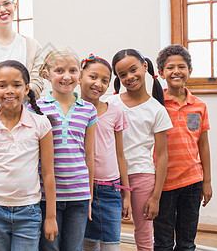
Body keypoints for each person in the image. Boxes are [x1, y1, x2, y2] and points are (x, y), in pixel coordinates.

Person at [0, 60, 57, 250]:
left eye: (16, 85)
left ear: (27, 89)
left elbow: (48, 173)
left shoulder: (41, 124)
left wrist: (50, 217)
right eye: (2, 85)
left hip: (29, 212)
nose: (9, 90)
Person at [106, 49, 172, 251]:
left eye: (133, 70)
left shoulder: (157, 109)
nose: (129, 77)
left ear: (145, 67)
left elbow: (161, 156)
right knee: (107, 232)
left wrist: (156, 197)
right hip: (112, 177)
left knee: (143, 235)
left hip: (142, 177)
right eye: (122, 75)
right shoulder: (111, 103)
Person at [35, 49, 97, 251]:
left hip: (79, 195)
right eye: (59, 70)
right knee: (49, 248)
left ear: (80, 74)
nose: (66, 76)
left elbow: (89, 155)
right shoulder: (36, 108)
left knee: (74, 248)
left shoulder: (88, 109)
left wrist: (89, 196)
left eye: (72, 70)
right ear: (47, 73)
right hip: (46, 195)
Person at [153, 45, 212, 250]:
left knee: (187, 242)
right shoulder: (156, 105)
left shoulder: (199, 105)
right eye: (170, 67)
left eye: (181, 66)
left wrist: (207, 181)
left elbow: (203, 144)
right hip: (164, 184)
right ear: (161, 73)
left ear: (190, 71)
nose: (176, 71)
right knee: (163, 242)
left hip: (193, 182)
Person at [79, 54, 131, 251]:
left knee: (111, 245)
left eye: (104, 80)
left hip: (110, 189)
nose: (98, 84)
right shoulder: (73, 111)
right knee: (87, 244)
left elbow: (120, 154)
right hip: (81, 188)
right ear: (80, 76)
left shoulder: (115, 112)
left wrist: (125, 195)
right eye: (93, 77)